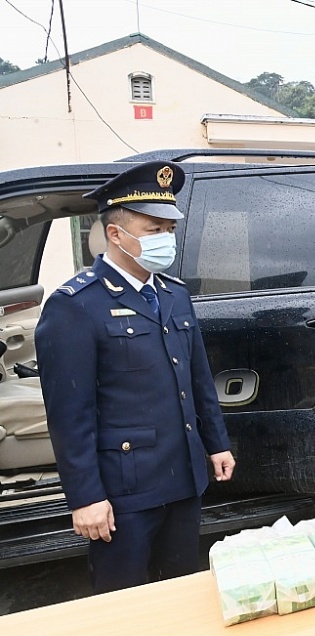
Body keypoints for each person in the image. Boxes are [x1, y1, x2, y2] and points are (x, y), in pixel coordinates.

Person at [34, 160, 235, 593]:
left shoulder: (174, 294)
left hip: (183, 478)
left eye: (169, 229)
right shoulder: (76, 305)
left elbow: (198, 378)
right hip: (124, 491)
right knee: (123, 604)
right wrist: (86, 497)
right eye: (154, 229)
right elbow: (70, 415)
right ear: (116, 234)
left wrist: (216, 443)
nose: (166, 239)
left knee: (181, 594)